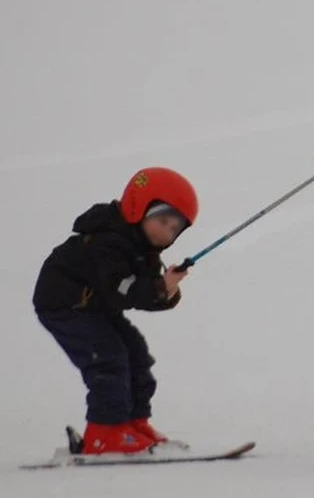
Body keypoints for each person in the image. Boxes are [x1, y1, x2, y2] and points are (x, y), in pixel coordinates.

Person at [32, 166, 199, 455]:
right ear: (140, 207)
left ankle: (133, 422)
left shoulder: (142, 248)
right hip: (64, 306)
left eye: (175, 229)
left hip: (96, 307)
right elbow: (122, 289)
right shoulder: (107, 240)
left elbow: (140, 294)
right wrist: (159, 286)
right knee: (108, 358)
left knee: (135, 352)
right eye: (163, 221)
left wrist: (167, 290)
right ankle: (104, 433)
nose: (168, 233)